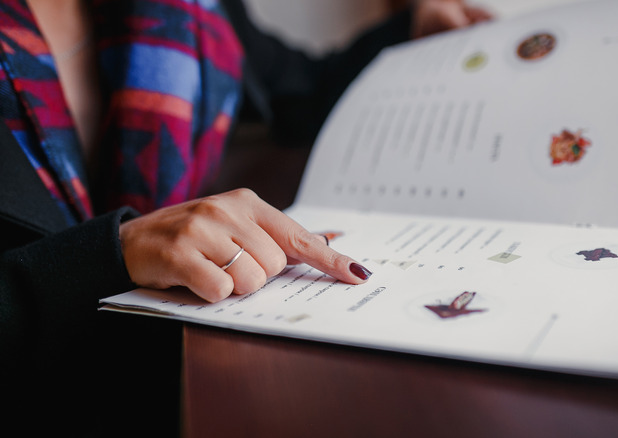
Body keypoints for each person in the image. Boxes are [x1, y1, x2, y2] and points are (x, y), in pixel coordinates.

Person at [0, 0, 490, 435]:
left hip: (187, 374)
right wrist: (109, 255)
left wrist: (409, 34)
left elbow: (300, 92)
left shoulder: (195, 8)